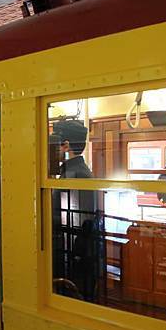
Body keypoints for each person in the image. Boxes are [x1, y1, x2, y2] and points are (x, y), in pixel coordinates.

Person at [50, 120, 101, 302]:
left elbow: (78, 222)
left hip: (74, 253)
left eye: (55, 144)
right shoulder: (72, 171)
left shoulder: (77, 174)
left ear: (66, 146)